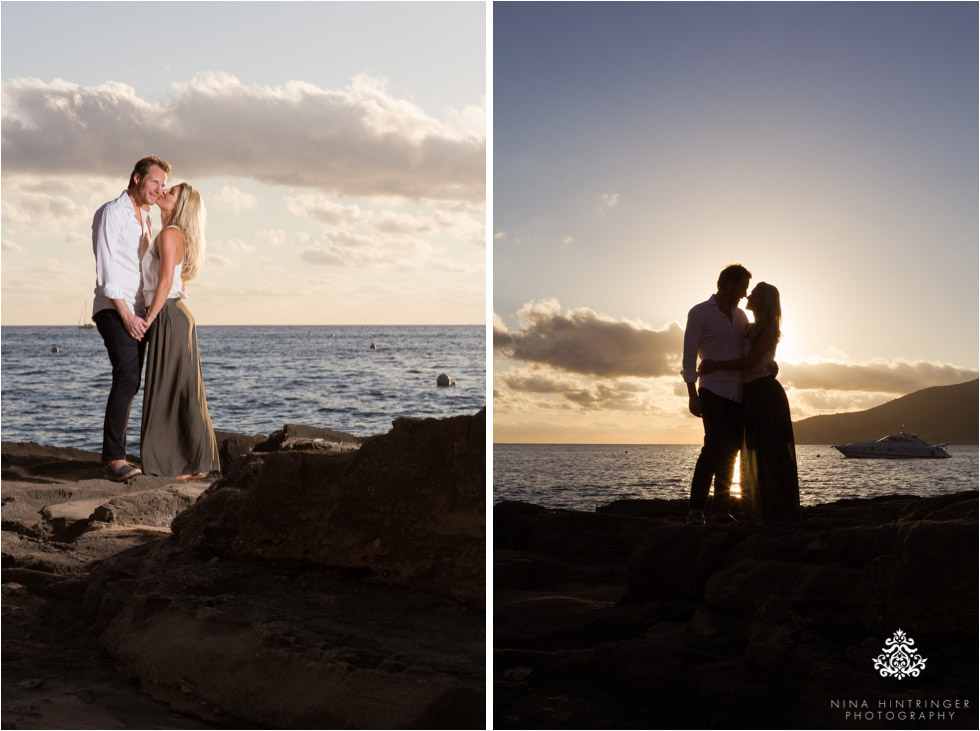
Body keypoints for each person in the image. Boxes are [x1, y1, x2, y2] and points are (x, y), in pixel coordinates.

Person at [92, 156, 171, 481]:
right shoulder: (112, 212)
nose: (159, 189)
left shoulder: (147, 218)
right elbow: (106, 269)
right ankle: (114, 461)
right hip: (114, 308)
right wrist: (126, 315)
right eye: (155, 182)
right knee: (126, 377)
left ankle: (132, 453)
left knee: (135, 381)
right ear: (137, 178)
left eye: (164, 185)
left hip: (139, 310)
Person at [138, 182, 220, 479]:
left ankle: (180, 464)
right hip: (175, 313)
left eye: (170, 193)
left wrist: (149, 317)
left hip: (168, 313)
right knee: (179, 388)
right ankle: (191, 463)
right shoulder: (174, 234)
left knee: (168, 388)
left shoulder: (171, 234)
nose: (163, 193)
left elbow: (165, 282)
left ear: (180, 205)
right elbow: (179, 283)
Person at [700, 282, 800, 521]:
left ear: (763, 301)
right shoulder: (748, 326)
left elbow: (750, 362)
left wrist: (715, 365)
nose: (748, 295)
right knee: (753, 449)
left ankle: (774, 509)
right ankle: (758, 508)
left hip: (766, 393)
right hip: (750, 393)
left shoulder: (769, 328)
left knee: (768, 450)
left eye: (753, 294)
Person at [681, 264, 751, 524]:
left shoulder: (741, 316)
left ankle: (722, 511)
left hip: (738, 392)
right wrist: (692, 394)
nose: (745, 293)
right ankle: (696, 510)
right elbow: (688, 357)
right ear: (730, 284)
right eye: (743, 287)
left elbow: (746, 353)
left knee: (731, 451)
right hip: (712, 389)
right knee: (713, 447)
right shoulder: (699, 313)